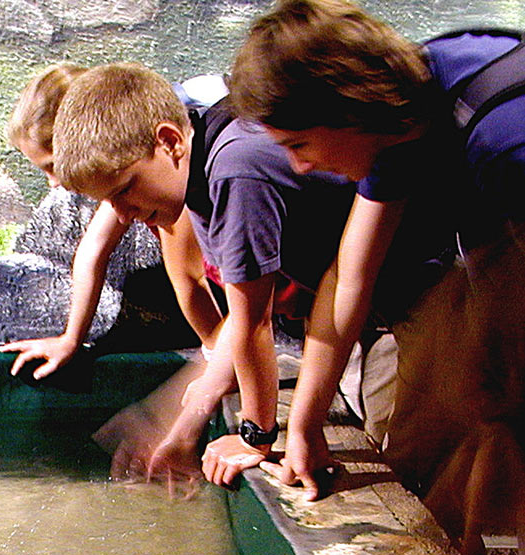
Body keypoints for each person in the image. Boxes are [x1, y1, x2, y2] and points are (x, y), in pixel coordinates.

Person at [228, 0, 525, 506]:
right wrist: (305, 425)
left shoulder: (504, 138)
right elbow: (350, 276)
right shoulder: (400, 120)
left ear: (344, 109)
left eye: (299, 144)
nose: (299, 168)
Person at [51, 61, 375, 489]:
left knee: (414, 446)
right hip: (358, 301)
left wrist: (255, 436)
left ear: (169, 141)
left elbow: (254, 322)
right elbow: (240, 319)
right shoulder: (203, 166)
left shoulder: (233, 170)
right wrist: (190, 415)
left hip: (416, 289)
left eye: (124, 190)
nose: (123, 215)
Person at [0, 64, 226, 396]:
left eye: (53, 166)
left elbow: (190, 281)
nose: (53, 182)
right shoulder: (121, 178)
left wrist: (218, 369)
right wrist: (71, 339)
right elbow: (92, 252)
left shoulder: (166, 178)